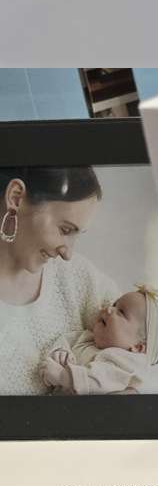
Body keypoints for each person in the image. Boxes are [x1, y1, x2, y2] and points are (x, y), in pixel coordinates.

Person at [0, 166, 118, 395]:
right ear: (16, 197)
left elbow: (155, 360)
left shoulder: (78, 279)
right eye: (65, 229)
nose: (67, 253)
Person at [43, 286, 158, 395]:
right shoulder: (87, 337)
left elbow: (101, 381)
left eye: (121, 312)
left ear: (138, 347)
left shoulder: (128, 362)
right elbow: (65, 340)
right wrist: (60, 353)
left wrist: (63, 377)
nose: (109, 309)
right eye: (115, 304)